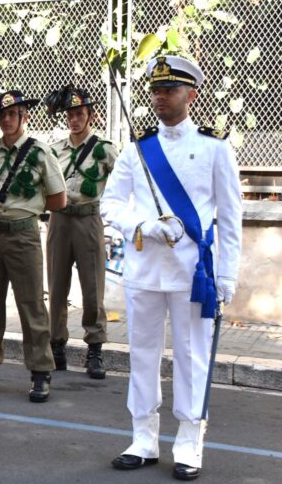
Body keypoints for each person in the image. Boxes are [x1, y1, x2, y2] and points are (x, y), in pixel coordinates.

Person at [101, 56, 241, 481]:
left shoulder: (215, 147)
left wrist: (228, 275)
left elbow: (232, 218)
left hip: (193, 272)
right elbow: (109, 204)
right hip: (144, 268)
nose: (161, 97)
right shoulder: (136, 148)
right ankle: (142, 439)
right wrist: (142, 225)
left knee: (191, 356)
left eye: (171, 90)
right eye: (156, 91)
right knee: (141, 355)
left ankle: (189, 444)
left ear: (191, 95)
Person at [0, 90, 66, 402]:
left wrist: (27, 210)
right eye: (2, 115)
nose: (7, 120)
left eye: (13, 114)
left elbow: (58, 198)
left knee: (31, 305)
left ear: (25, 116)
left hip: (24, 234)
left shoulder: (39, 152)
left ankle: (40, 372)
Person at [43, 85, 118, 379]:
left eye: (79, 114)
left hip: (88, 220)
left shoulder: (105, 149)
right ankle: (57, 345)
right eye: (70, 115)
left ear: (91, 116)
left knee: (92, 288)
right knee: (57, 287)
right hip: (59, 220)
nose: (74, 120)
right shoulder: (55, 150)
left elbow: (124, 180)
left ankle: (95, 350)